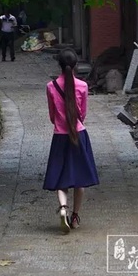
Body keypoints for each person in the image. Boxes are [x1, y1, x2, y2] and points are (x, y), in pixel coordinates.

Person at [43, 48, 99, 233]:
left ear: (59, 64)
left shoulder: (51, 86)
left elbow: (52, 115)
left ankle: (63, 208)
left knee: (61, 177)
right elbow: (83, 113)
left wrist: (60, 123)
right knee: (79, 179)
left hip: (60, 136)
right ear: (76, 65)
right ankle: (75, 217)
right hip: (78, 135)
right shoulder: (82, 86)